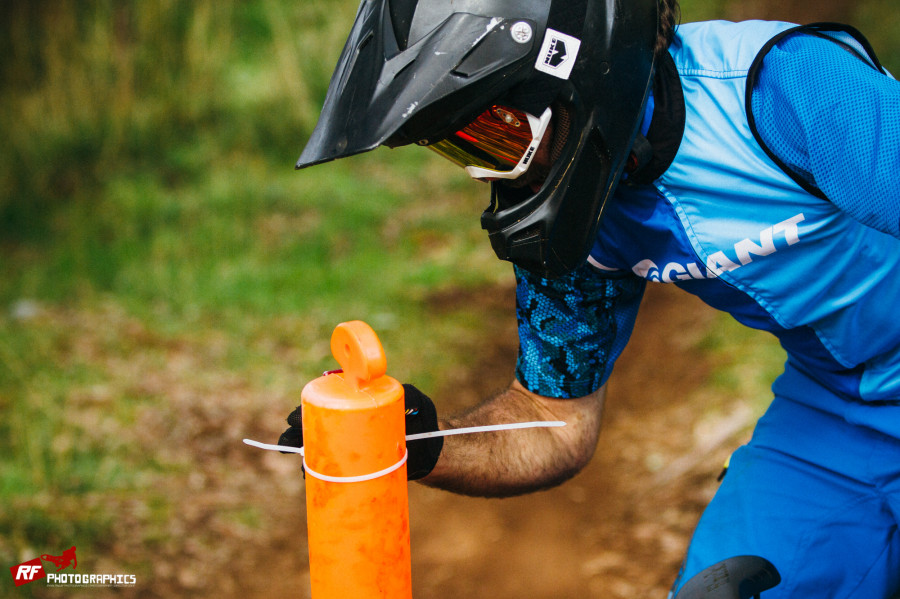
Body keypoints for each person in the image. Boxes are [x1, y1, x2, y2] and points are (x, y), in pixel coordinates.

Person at [279, 0, 900, 596]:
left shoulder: (783, 89)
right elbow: (554, 425)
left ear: (574, 74)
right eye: (464, 150)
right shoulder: (586, 215)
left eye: (495, 135)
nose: (487, 174)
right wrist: (417, 443)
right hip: (839, 405)